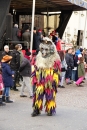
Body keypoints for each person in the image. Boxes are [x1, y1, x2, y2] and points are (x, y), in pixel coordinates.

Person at [31, 38, 60, 117]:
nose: (44, 52)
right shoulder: (38, 58)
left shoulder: (55, 59)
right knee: (38, 95)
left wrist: (54, 81)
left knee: (50, 95)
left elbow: (57, 72)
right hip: (40, 80)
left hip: (50, 81)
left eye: (46, 49)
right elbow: (35, 68)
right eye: (42, 49)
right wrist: (35, 78)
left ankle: (50, 109)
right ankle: (36, 110)